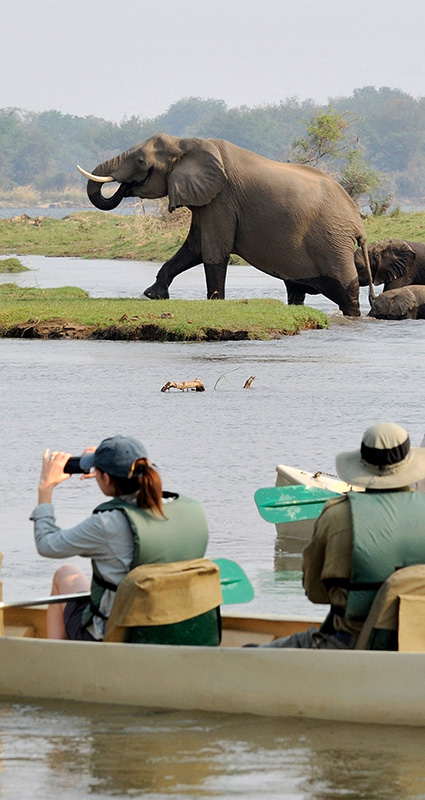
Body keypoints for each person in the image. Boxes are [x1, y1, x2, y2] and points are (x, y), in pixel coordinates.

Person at [30, 434, 218, 643]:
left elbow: (47, 545)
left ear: (107, 478)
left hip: (120, 635)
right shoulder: (190, 510)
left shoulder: (108, 524)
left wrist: (45, 489)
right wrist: (104, 470)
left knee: (65, 574)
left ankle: (58, 663)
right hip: (178, 624)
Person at [261, 421, 425, 649]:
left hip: (350, 645)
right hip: (418, 644)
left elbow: (315, 592)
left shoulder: (337, 514)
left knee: (249, 654)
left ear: (363, 463)